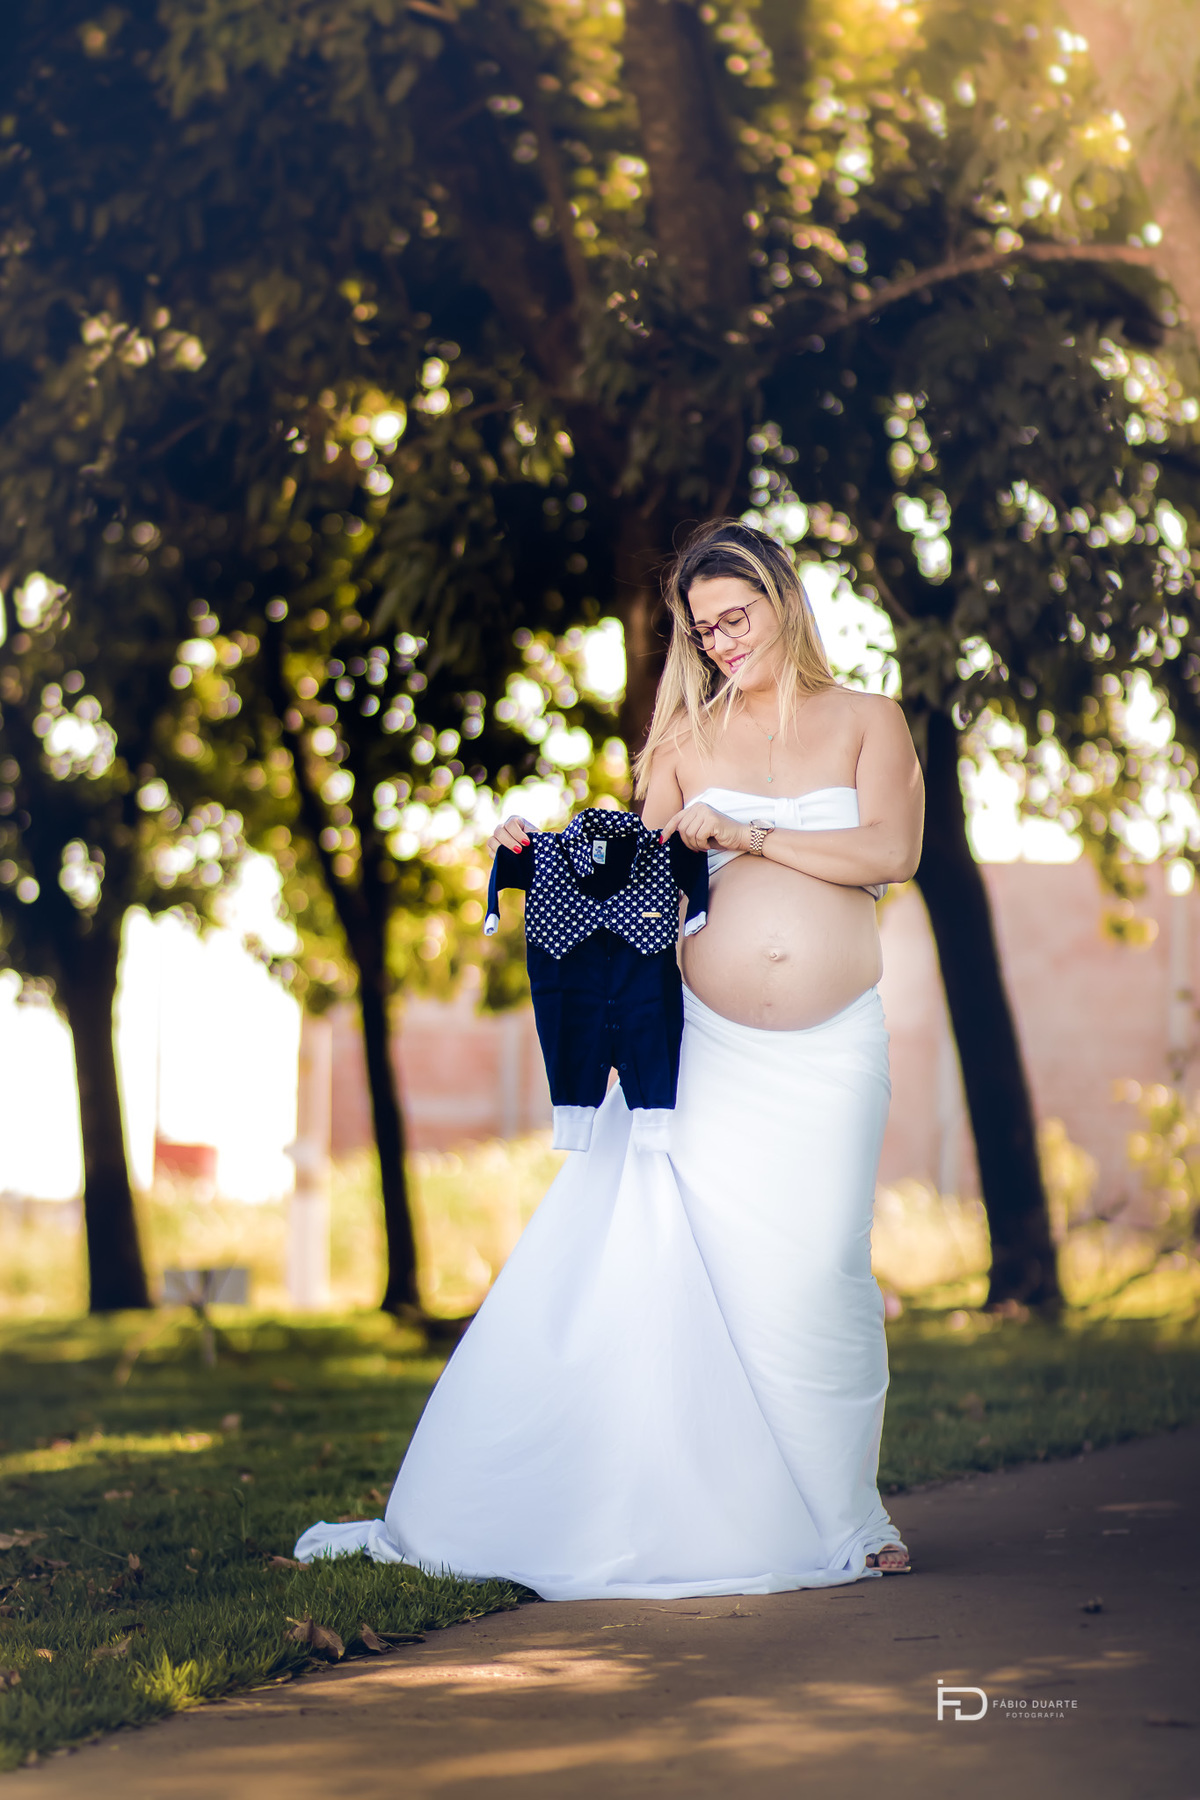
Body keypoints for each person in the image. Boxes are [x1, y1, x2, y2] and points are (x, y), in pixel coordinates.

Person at [294, 517, 925, 1595]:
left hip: (831, 1051)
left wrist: (746, 835)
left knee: (824, 1266)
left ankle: (845, 1509)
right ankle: (786, 1521)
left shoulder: (869, 719)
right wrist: (538, 853)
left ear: (785, 600)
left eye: (738, 617)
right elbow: (628, 875)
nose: (722, 642)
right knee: (713, 1275)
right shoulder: (681, 743)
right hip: (708, 1050)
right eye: (704, 629)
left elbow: (893, 850)